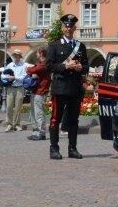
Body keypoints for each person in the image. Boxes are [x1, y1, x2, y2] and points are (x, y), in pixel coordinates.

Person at [46, 14, 89, 160]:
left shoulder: (80, 46)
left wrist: (80, 67)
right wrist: (65, 65)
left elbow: (86, 66)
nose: (68, 29)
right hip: (60, 87)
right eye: (66, 26)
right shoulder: (54, 45)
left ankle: (72, 148)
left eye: (71, 26)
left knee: (73, 120)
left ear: (75, 28)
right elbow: (49, 66)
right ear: (62, 27)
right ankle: (54, 148)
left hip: (75, 88)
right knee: (55, 119)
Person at [26, 47, 51, 141]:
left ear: (40, 53)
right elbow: (34, 69)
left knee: (39, 113)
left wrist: (29, 69)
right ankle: (36, 131)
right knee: (34, 113)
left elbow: (33, 70)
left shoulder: (45, 64)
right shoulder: (40, 64)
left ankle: (42, 133)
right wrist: (31, 69)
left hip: (40, 92)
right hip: (35, 91)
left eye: (37, 53)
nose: (36, 54)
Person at [3, 49, 28, 132]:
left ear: (20, 57)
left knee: (18, 107)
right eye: (14, 55)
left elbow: (24, 77)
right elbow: (4, 75)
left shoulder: (24, 65)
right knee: (9, 106)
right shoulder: (10, 65)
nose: (16, 57)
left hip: (20, 87)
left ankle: (17, 124)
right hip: (10, 87)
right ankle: (9, 124)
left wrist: (15, 77)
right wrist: (8, 78)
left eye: (17, 55)